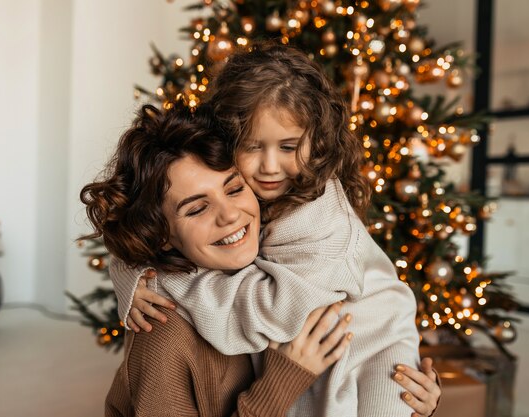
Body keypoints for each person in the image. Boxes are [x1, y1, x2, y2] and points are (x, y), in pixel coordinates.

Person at [112, 43, 440, 417]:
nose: (269, 168)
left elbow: (276, 311)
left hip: (378, 353)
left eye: (288, 146)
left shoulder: (319, 219)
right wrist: (132, 271)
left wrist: (161, 279)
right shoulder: (164, 334)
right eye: (252, 147)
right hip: (321, 359)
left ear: (315, 144)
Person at [81, 103, 354, 416]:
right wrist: (282, 381)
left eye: (235, 189)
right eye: (197, 209)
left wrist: (421, 404)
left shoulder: (275, 256)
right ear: (161, 234)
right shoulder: (162, 341)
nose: (230, 215)